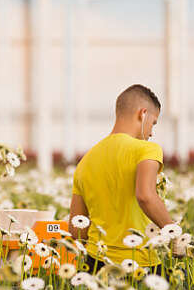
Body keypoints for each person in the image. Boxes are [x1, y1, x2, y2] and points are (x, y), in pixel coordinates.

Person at [68, 84, 174, 272]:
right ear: (143, 114)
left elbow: (77, 229)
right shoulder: (147, 150)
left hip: (95, 265)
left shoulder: (85, 161)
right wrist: (174, 233)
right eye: (153, 123)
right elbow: (146, 196)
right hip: (139, 264)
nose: (151, 132)